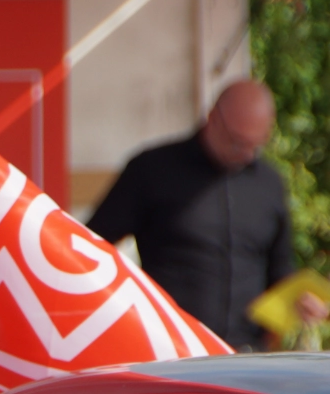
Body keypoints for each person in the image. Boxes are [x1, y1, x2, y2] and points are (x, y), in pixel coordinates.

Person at [90, 79, 328, 350]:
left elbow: (280, 267)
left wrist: (301, 299)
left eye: (256, 145)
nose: (246, 155)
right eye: (237, 143)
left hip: (247, 353)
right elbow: (93, 246)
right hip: (172, 349)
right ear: (212, 118)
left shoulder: (269, 183)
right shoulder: (152, 170)